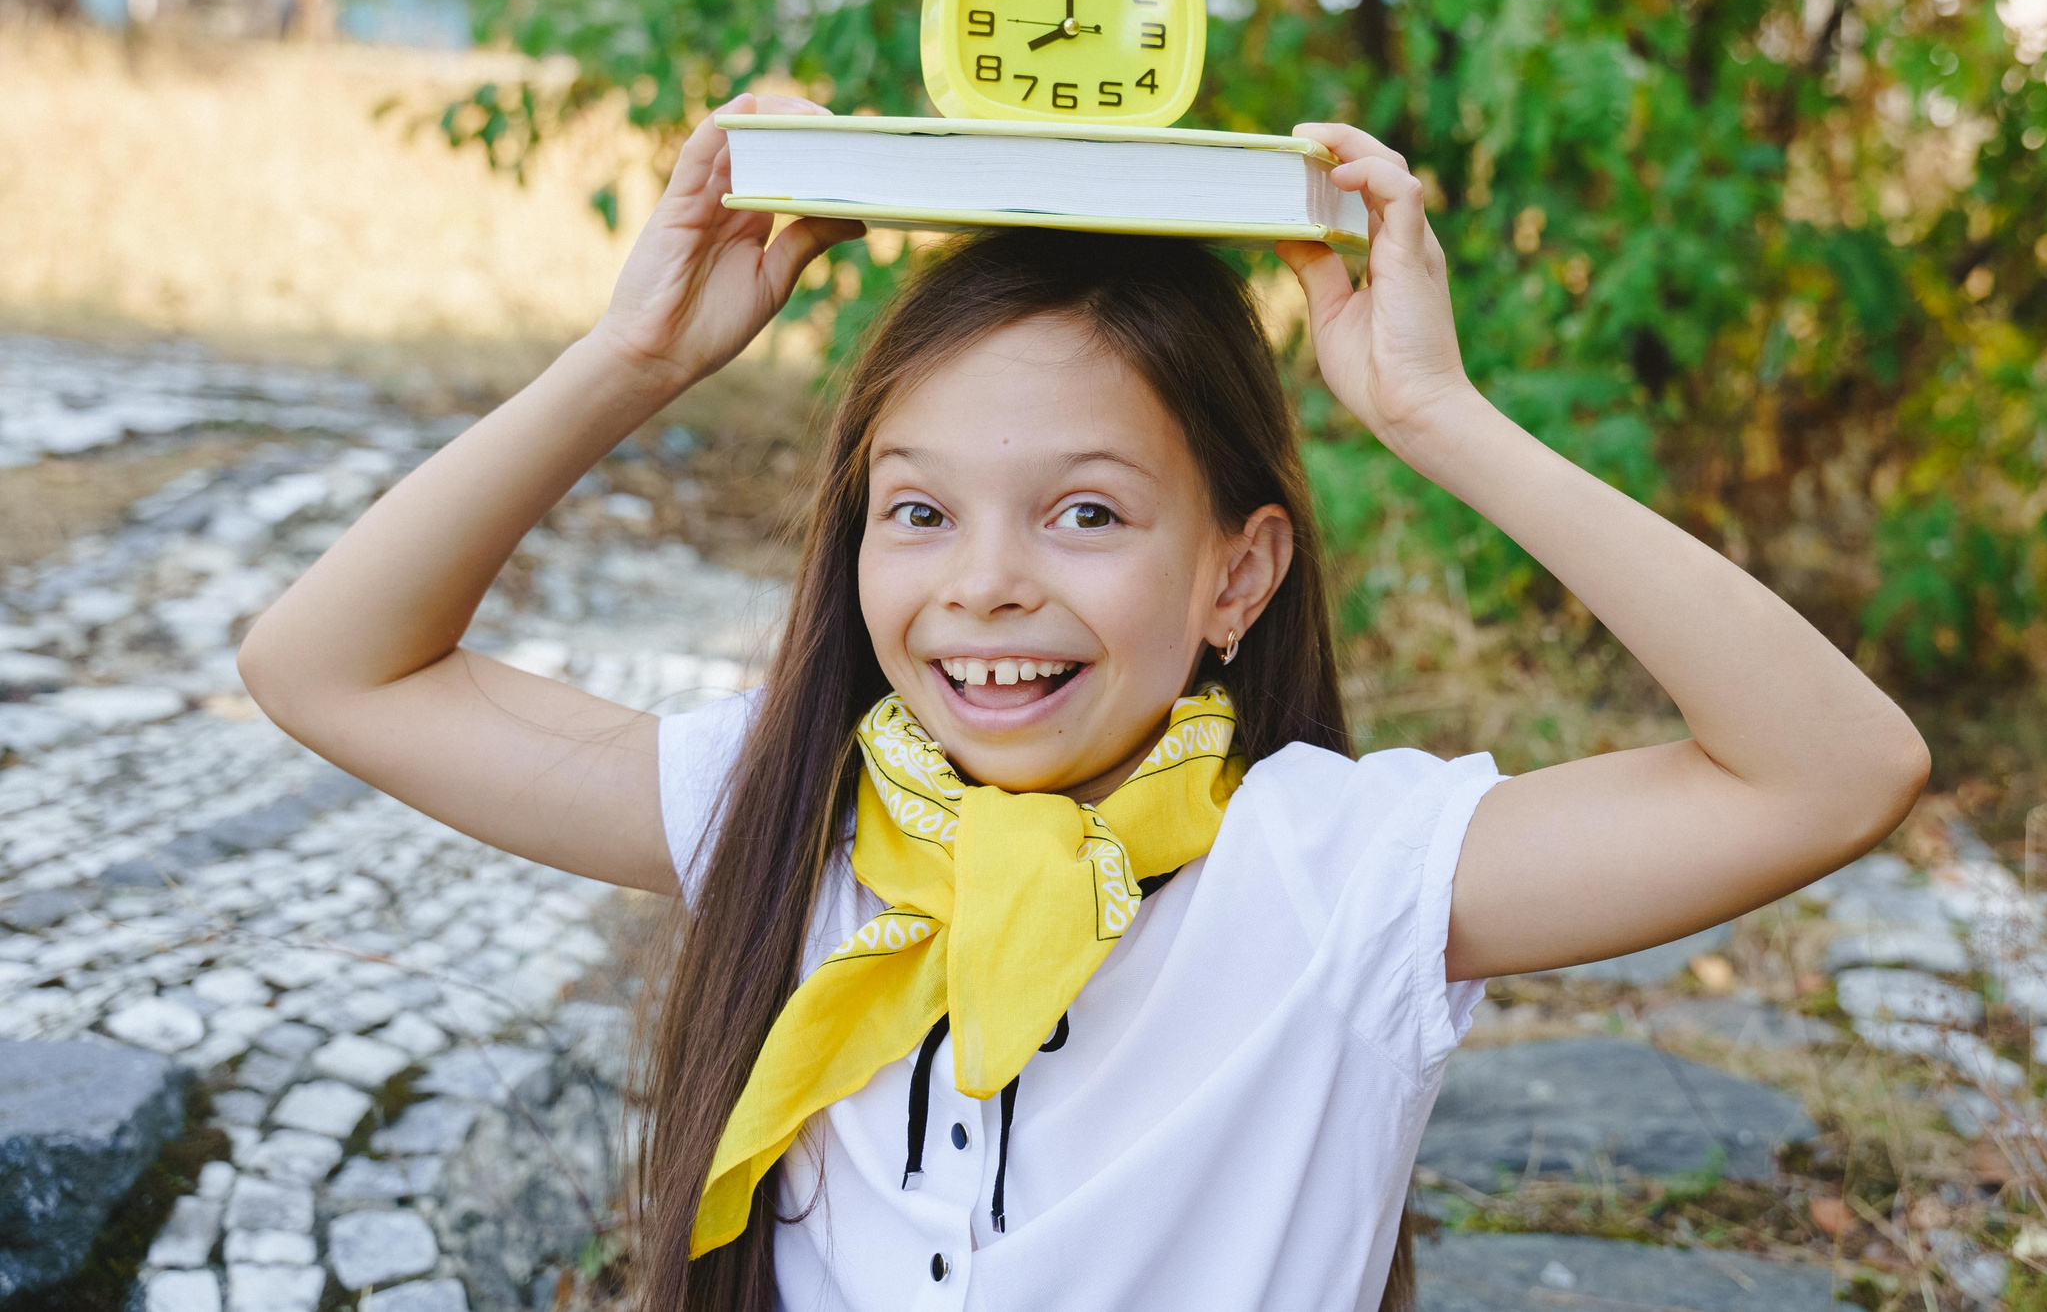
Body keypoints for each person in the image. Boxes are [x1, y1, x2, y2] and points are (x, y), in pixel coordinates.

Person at [239, 97, 1929, 1312]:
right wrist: (631, 360)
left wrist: (1434, 412)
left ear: (1238, 577)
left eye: (1088, 512)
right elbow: (329, 667)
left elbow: (1830, 774)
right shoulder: (788, 816)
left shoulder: (1336, 879)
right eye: (918, 509)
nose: (985, 582)